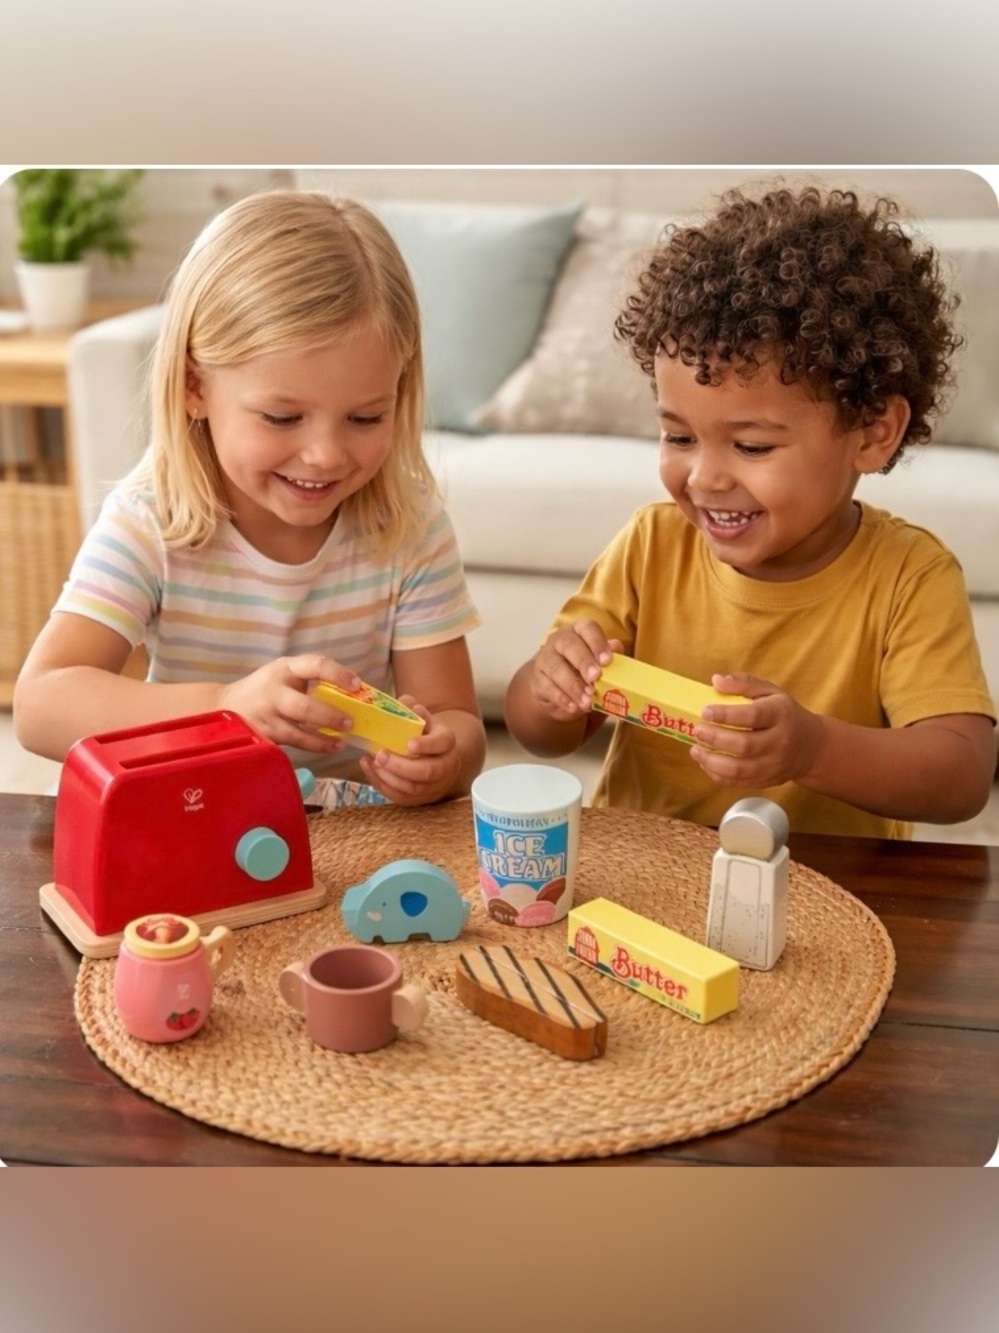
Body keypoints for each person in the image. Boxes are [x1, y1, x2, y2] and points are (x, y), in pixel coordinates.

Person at [504, 184, 997, 837]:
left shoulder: (907, 574)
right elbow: (539, 733)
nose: (704, 477)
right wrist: (550, 686)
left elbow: (959, 775)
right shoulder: (651, 543)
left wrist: (812, 749)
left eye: (751, 445)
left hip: (832, 891)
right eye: (678, 436)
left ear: (873, 430)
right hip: (643, 870)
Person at [14, 190, 486, 807]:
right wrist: (224, 706)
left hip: (348, 839)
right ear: (194, 387)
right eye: (283, 417)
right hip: (194, 814)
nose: (325, 454)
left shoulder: (409, 527)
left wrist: (440, 759)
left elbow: (460, 723)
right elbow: (41, 702)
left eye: (365, 418)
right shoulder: (150, 521)